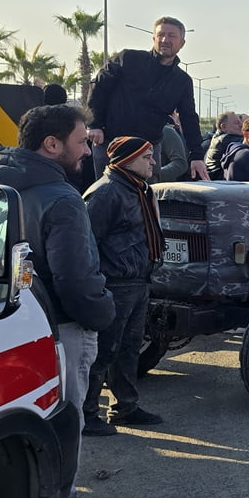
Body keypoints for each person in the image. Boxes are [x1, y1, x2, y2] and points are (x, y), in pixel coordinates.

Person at [0, 104, 115, 498]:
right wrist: (103, 313)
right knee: (64, 421)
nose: (87, 150)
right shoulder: (62, 198)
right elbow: (77, 280)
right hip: (60, 330)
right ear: (52, 144)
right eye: (81, 141)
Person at [81, 137, 165, 435]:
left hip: (138, 281)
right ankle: (87, 414)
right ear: (127, 161)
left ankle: (125, 407)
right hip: (115, 284)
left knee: (129, 349)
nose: (153, 162)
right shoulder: (106, 193)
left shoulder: (138, 188)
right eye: (147, 157)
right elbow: (86, 243)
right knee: (103, 351)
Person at [85, 16, 208, 181]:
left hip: (148, 149)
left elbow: (189, 117)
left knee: (148, 193)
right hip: (111, 143)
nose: (165, 40)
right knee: (107, 191)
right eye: (161, 35)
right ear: (153, 38)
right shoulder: (128, 58)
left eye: (171, 36)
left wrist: (197, 156)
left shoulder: (182, 81)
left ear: (182, 43)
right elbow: (98, 86)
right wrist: (94, 124)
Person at [205, 111, 243, 179]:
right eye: (237, 123)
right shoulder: (225, 139)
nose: (242, 125)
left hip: (215, 178)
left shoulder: (218, 137)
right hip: (218, 179)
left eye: (241, 122)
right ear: (224, 127)